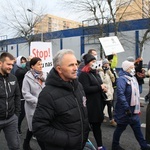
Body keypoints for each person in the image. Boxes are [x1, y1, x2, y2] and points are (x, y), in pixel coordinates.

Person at [32, 49, 89, 150]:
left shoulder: (78, 86)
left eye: (76, 64)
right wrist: (68, 139)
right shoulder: (47, 94)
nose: (76, 68)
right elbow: (39, 128)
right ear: (59, 69)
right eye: (71, 65)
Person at [112, 60, 150, 150]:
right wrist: (126, 108)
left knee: (137, 129)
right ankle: (115, 145)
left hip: (134, 110)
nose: (133, 69)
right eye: (131, 68)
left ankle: (144, 146)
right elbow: (120, 94)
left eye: (133, 67)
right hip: (125, 110)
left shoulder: (132, 78)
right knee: (120, 128)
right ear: (126, 69)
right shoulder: (122, 79)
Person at [78, 54, 107, 150]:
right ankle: (81, 145)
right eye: (92, 61)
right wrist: (99, 87)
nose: (95, 63)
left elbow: (99, 84)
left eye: (95, 61)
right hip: (90, 105)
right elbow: (85, 88)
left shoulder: (95, 73)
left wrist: (103, 88)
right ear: (87, 63)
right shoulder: (84, 74)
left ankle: (100, 146)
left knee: (97, 126)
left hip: (98, 103)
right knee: (87, 127)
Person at [22, 57, 45, 150]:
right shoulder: (27, 77)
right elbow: (25, 93)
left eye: (41, 64)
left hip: (44, 106)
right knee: (35, 127)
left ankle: (26, 143)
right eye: (38, 64)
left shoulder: (44, 75)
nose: (41, 66)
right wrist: (37, 100)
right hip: (33, 107)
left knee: (34, 127)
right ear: (32, 66)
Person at [0, 52, 21, 150]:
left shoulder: (13, 78)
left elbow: (17, 96)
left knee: (15, 146)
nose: (11, 67)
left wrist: (16, 114)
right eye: (8, 64)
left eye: (12, 65)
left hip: (11, 119)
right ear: (0, 63)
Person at [99, 59, 116, 127]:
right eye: (106, 64)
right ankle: (111, 120)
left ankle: (101, 116)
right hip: (105, 91)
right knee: (108, 105)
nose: (107, 65)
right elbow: (101, 81)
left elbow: (113, 80)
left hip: (110, 91)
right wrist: (105, 73)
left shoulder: (109, 71)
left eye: (108, 64)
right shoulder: (101, 72)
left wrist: (110, 73)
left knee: (104, 105)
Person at [15, 56, 29, 134]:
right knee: (22, 113)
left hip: (27, 93)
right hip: (21, 95)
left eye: (24, 61)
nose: (24, 63)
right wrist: (28, 62)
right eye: (22, 62)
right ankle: (17, 126)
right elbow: (26, 70)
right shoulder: (18, 71)